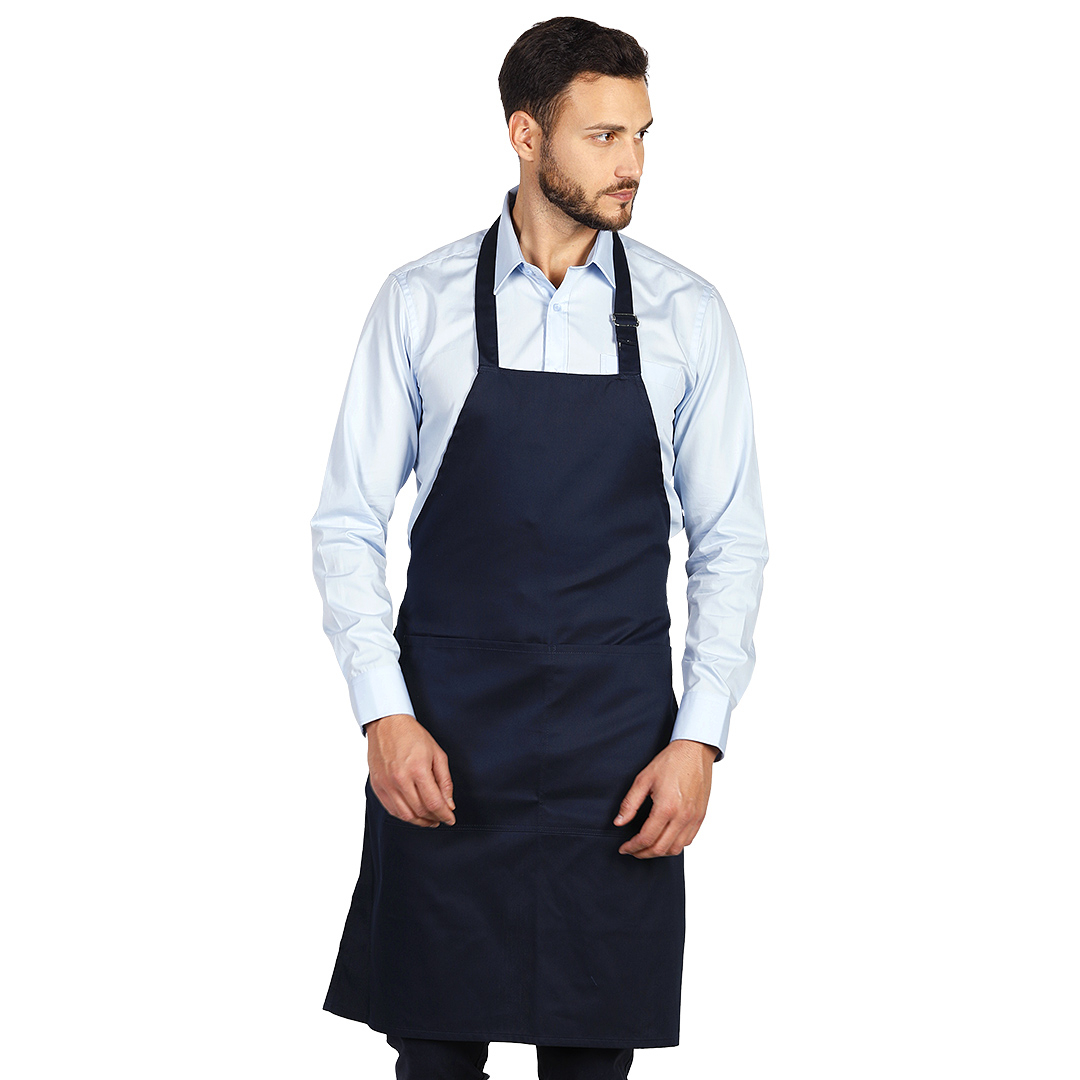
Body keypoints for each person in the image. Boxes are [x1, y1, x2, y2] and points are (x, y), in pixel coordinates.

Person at [310, 16, 769, 1079]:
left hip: (619, 755)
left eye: (642, 134)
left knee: (591, 1065)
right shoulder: (417, 303)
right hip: (445, 745)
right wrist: (384, 714)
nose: (633, 162)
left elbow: (730, 543)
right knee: (434, 1058)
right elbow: (347, 523)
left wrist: (699, 740)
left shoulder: (689, 316)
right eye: (604, 136)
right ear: (526, 136)